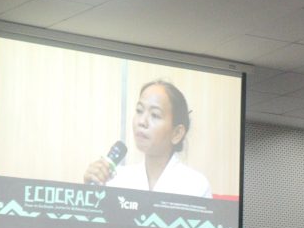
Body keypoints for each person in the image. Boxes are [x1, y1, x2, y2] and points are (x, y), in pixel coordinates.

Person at [83, 79, 213, 199]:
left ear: (177, 133)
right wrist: (88, 192)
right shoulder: (114, 179)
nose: (142, 121)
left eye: (155, 115)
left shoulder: (196, 185)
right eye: (139, 110)